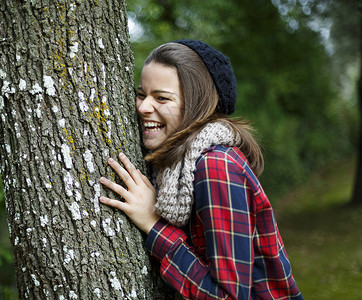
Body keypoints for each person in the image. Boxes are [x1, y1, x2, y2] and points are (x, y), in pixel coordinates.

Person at [99, 40, 303, 300]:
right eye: (142, 94)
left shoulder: (217, 166)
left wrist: (154, 224)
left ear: (196, 104)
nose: (142, 107)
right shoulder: (173, 165)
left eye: (161, 98)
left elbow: (228, 297)